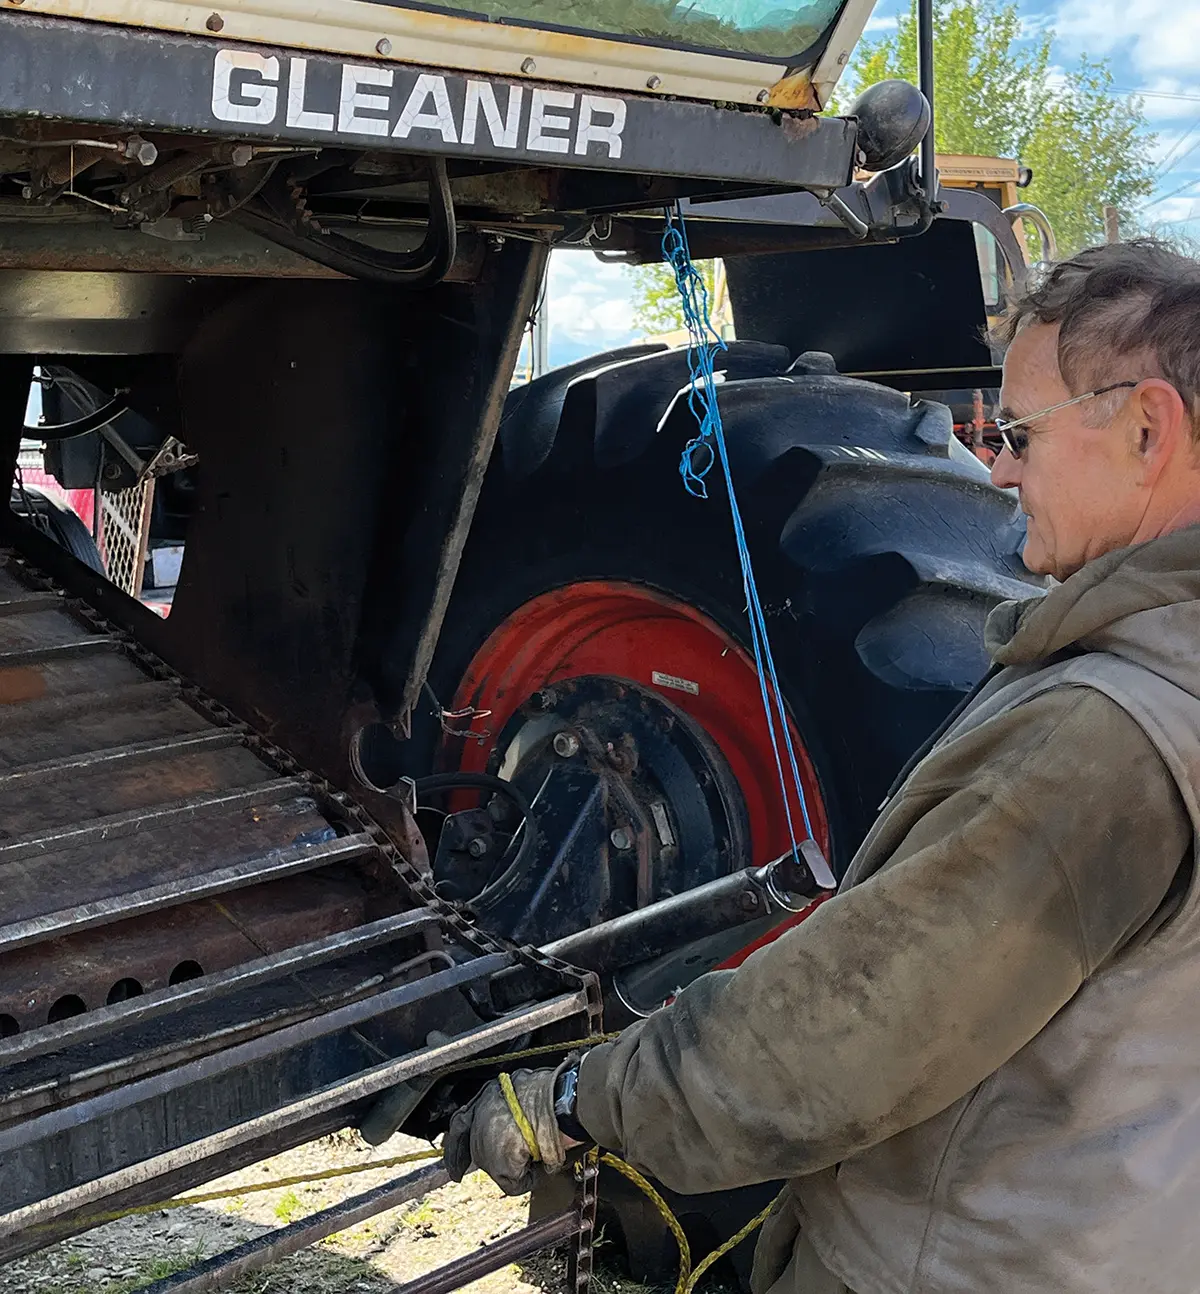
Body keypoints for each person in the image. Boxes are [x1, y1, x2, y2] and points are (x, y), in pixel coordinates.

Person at [444, 239, 1200, 1294]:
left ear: (1147, 429)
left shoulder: (1102, 735)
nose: (997, 467)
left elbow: (845, 1030)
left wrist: (576, 1099)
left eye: (1022, 433)